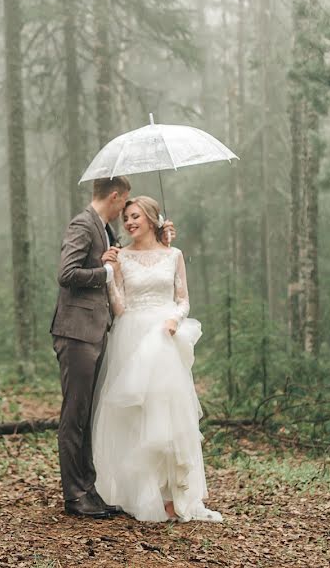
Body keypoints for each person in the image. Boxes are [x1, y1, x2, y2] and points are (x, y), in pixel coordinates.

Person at [50, 178, 176, 519]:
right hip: (76, 332)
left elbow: (133, 261)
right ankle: (74, 496)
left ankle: (89, 491)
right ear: (116, 196)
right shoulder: (83, 224)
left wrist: (162, 238)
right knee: (74, 416)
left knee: (86, 415)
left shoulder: (104, 230)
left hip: (95, 332)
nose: (126, 211)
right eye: (125, 205)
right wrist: (104, 272)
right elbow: (67, 273)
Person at [92, 195, 222, 523]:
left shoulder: (173, 254)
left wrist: (174, 320)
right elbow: (119, 306)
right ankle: (139, 492)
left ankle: (171, 495)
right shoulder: (121, 256)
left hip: (165, 337)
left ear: (152, 218)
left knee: (167, 414)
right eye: (126, 218)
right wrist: (110, 271)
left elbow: (183, 300)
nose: (130, 222)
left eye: (136, 216)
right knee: (135, 416)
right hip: (131, 335)